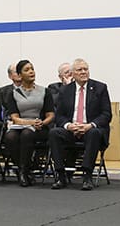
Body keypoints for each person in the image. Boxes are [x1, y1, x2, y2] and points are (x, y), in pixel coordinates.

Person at [49, 58, 111, 191]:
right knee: (54, 133)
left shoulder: (100, 88)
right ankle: (61, 175)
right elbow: (59, 115)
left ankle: (87, 176)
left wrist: (90, 125)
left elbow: (106, 114)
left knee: (94, 133)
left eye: (85, 69)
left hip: (90, 130)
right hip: (71, 130)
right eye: (79, 70)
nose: (83, 72)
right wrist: (68, 126)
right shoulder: (65, 91)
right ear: (73, 73)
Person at [4, 60, 54, 187]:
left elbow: (51, 114)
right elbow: (14, 117)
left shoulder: (45, 91)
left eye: (32, 68)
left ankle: (24, 171)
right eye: (26, 70)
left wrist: (41, 123)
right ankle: (23, 169)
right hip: (21, 124)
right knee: (10, 137)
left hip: (40, 127)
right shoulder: (13, 93)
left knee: (27, 134)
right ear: (20, 75)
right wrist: (30, 122)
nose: (31, 71)